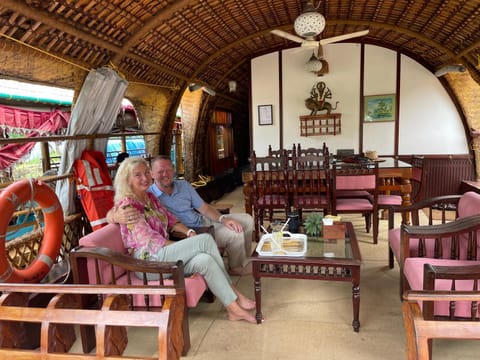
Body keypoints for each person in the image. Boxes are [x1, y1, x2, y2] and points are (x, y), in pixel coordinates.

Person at [111, 156, 256, 323]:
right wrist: (188, 245)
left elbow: (171, 220)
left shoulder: (149, 198)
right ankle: (236, 294)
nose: (144, 178)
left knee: (205, 260)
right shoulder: (128, 206)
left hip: (163, 255)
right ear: (127, 179)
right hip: (147, 262)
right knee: (205, 241)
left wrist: (189, 234)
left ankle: (233, 309)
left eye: (145, 173)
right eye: (137, 175)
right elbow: (150, 241)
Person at [111, 155, 254, 276]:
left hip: (201, 221)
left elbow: (203, 207)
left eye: (169, 170)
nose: (165, 174)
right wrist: (113, 216)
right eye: (160, 171)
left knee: (247, 220)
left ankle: (242, 259)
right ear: (153, 174)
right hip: (193, 230)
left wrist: (223, 218)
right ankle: (236, 268)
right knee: (234, 233)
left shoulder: (181, 186)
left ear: (174, 170)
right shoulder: (148, 194)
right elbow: (119, 209)